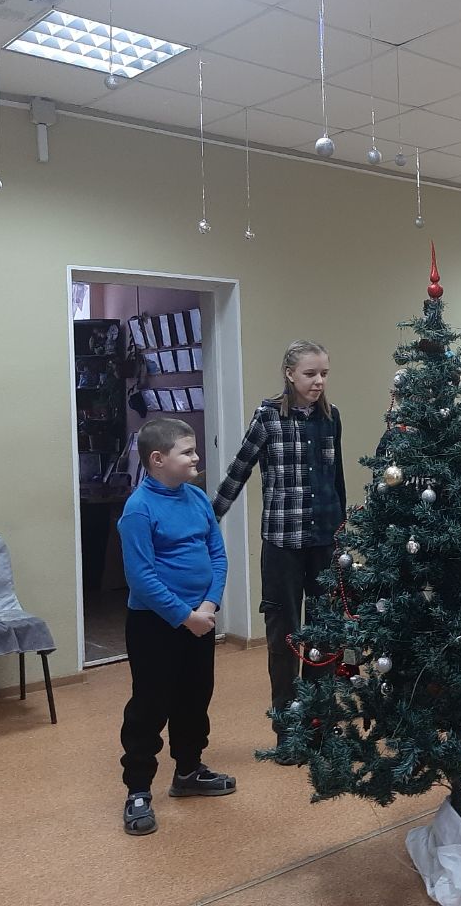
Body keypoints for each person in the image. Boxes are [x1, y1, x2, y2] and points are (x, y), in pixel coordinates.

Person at [212, 340, 345, 753]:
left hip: (324, 543)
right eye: (310, 373)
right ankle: (287, 731)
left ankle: (319, 726)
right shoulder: (268, 417)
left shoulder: (331, 418)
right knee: (284, 637)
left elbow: (336, 479)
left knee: (324, 635)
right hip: (282, 543)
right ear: (289, 374)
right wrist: (209, 518)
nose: (318, 381)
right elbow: (239, 470)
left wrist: (342, 531)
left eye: (324, 373)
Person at [118, 417, 234, 836]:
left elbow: (217, 555)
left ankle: (188, 771)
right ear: (157, 459)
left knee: (195, 697)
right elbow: (141, 578)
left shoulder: (198, 498)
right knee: (150, 705)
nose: (196, 457)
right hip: (155, 625)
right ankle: (138, 790)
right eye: (187, 452)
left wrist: (208, 605)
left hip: (200, 620)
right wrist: (186, 616)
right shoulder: (138, 509)